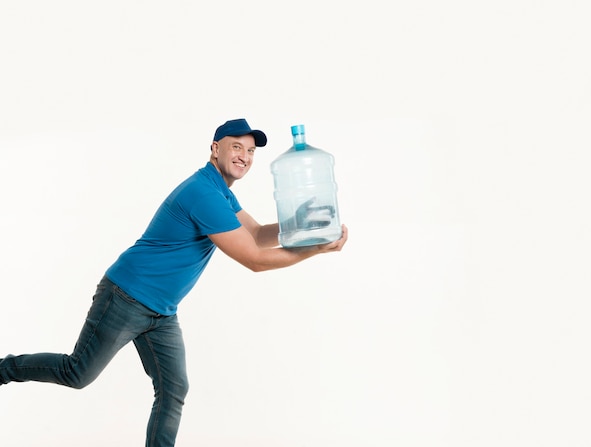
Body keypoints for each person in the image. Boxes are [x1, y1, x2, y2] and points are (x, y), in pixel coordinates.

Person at [0, 118, 348, 446]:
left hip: (161, 311)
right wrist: (314, 249)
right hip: (125, 297)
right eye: (237, 147)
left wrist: (299, 223)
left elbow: (255, 235)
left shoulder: (220, 191)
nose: (245, 156)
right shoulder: (203, 194)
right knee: (77, 373)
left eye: (252, 151)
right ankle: (4, 370)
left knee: (173, 389)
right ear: (216, 149)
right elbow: (254, 259)